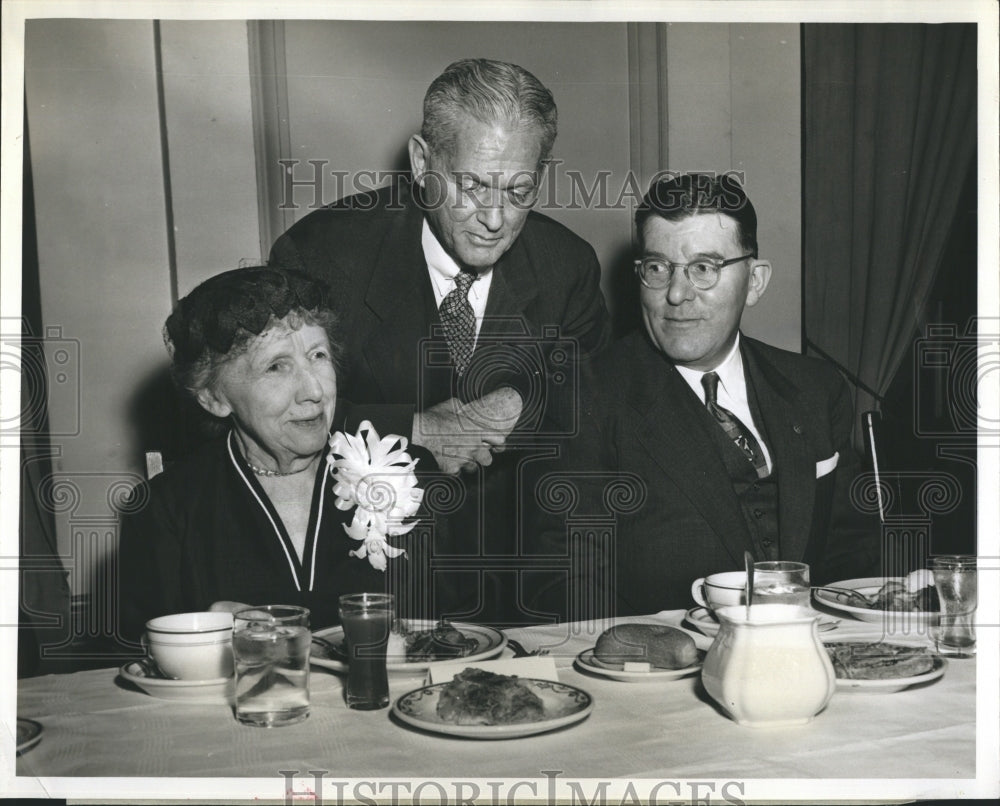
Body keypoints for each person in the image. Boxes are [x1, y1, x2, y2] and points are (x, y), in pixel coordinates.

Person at [269, 58, 612, 625]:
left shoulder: (566, 265)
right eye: (472, 185)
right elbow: (273, 415)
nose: (496, 219)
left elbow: (597, 393)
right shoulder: (322, 258)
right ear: (423, 161)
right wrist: (419, 428)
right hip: (370, 589)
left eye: (520, 190)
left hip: (527, 587)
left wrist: (517, 401)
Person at [527, 173, 880, 619]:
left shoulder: (815, 388)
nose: (675, 294)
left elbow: (851, 552)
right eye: (657, 268)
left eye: (704, 268)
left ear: (755, 281)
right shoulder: (585, 396)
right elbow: (563, 583)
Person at [117, 267, 434, 641]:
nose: (314, 390)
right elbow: (134, 656)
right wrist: (204, 635)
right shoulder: (167, 509)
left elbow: (456, 633)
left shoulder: (407, 472)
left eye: (318, 355)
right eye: (277, 366)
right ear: (214, 397)